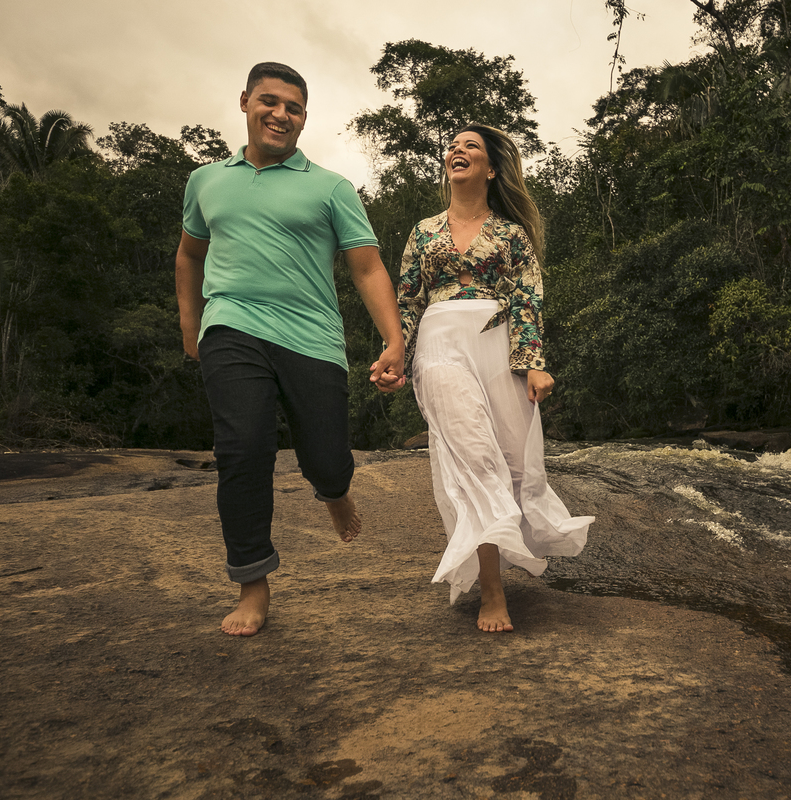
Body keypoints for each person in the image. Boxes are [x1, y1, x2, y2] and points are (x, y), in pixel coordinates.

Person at [176, 62, 405, 637]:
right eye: (269, 101)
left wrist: (395, 339)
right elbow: (190, 255)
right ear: (245, 102)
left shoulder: (330, 187)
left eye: (293, 108)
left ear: (304, 118)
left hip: (312, 337)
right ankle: (253, 583)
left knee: (325, 456)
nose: (280, 114)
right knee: (242, 449)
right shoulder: (205, 181)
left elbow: (366, 266)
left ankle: (333, 489)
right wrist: (192, 326)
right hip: (232, 326)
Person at [373, 123, 592, 633]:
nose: (457, 150)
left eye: (470, 146)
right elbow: (408, 301)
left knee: (514, 465)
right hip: (439, 345)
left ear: (491, 169)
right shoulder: (423, 232)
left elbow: (528, 298)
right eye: (452, 146)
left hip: (497, 344)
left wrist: (533, 361)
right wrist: (395, 355)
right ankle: (492, 590)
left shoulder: (511, 234)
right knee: (476, 459)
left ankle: (508, 553)